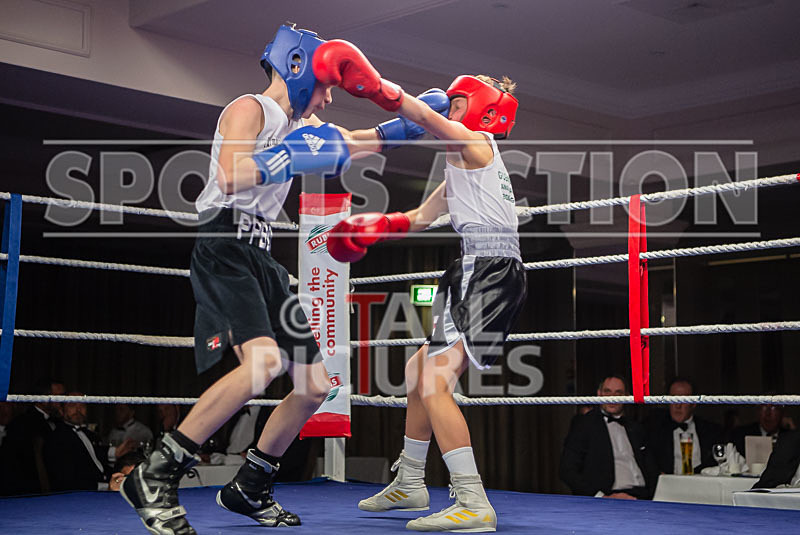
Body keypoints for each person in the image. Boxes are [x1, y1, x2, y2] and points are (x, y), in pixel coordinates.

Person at [121, 24, 447, 535]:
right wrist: (291, 155)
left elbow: (354, 142)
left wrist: (409, 124)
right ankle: (156, 473)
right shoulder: (247, 107)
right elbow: (228, 175)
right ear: (299, 69)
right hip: (225, 245)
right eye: (326, 85)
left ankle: (249, 486)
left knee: (315, 385)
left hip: (263, 256)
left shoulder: (303, 125)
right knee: (264, 364)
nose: (330, 96)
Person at [319, 41, 526, 532]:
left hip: (489, 269)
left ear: (484, 110)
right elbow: (419, 217)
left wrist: (377, 92)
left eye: (459, 101)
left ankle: (473, 501)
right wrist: (374, 226)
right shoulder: (462, 164)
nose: (449, 107)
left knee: (435, 382)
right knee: (418, 370)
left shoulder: (477, 144)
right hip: (474, 266)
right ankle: (411, 481)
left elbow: (427, 119)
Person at [559, 376, 657, 500]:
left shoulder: (636, 427)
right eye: (607, 391)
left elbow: (651, 468)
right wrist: (602, 497)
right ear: (599, 394)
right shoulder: (584, 424)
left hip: (644, 498)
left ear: (627, 396)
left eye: (618, 393)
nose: (612, 397)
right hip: (608, 498)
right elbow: (567, 470)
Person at [43, 393, 125, 491]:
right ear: (61, 410)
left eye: (82, 405)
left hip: (103, 482)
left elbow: (95, 453)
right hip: (83, 492)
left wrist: (116, 452)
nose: (78, 410)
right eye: (72, 405)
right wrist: (106, 487)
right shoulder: (58, 438)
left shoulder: (88, 433)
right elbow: (67, 480)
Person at [0, 378, 64, 495]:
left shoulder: (57, 420)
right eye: (58, 397)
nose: (63, 401)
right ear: (43, 398)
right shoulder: (24, 423)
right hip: (30, 491)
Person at [646, 377, 722, 474]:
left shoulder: (711, 431)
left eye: (683, 399)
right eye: (673, 399)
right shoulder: (654, 430)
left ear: (694, 403)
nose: (678, 405)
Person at [732, 402, 796, 456]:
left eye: (773, 408)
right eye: (763, 407)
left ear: (781, 413)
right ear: (757, 411)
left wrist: (792, 429)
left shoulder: (788, 436)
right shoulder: (741, 435)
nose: (768, 413)